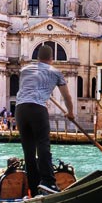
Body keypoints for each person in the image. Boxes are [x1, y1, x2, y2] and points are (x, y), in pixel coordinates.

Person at [14, 45, 74, 194]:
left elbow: (28, 88)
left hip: (20, 109)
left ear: (38, 57)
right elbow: (67, 96)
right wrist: (71, 113)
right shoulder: (55, 72)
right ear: (51, 58)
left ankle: (34, 188)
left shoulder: (24, 70)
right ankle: (48, 182)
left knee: (28, 150)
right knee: (43, 145)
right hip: (37, 108)